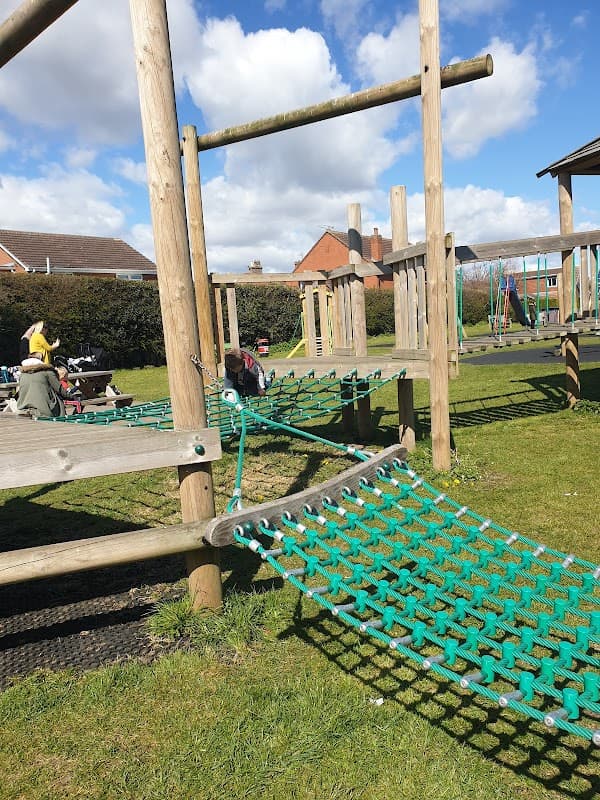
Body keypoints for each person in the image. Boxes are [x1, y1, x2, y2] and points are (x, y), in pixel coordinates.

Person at [16, 352, 67, 417]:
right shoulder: (48, 372)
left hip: (23, 406)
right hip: (43, 409)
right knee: (58, 399)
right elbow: (59, 389)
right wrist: (72, 397)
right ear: (41, 360)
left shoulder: (22, 374)